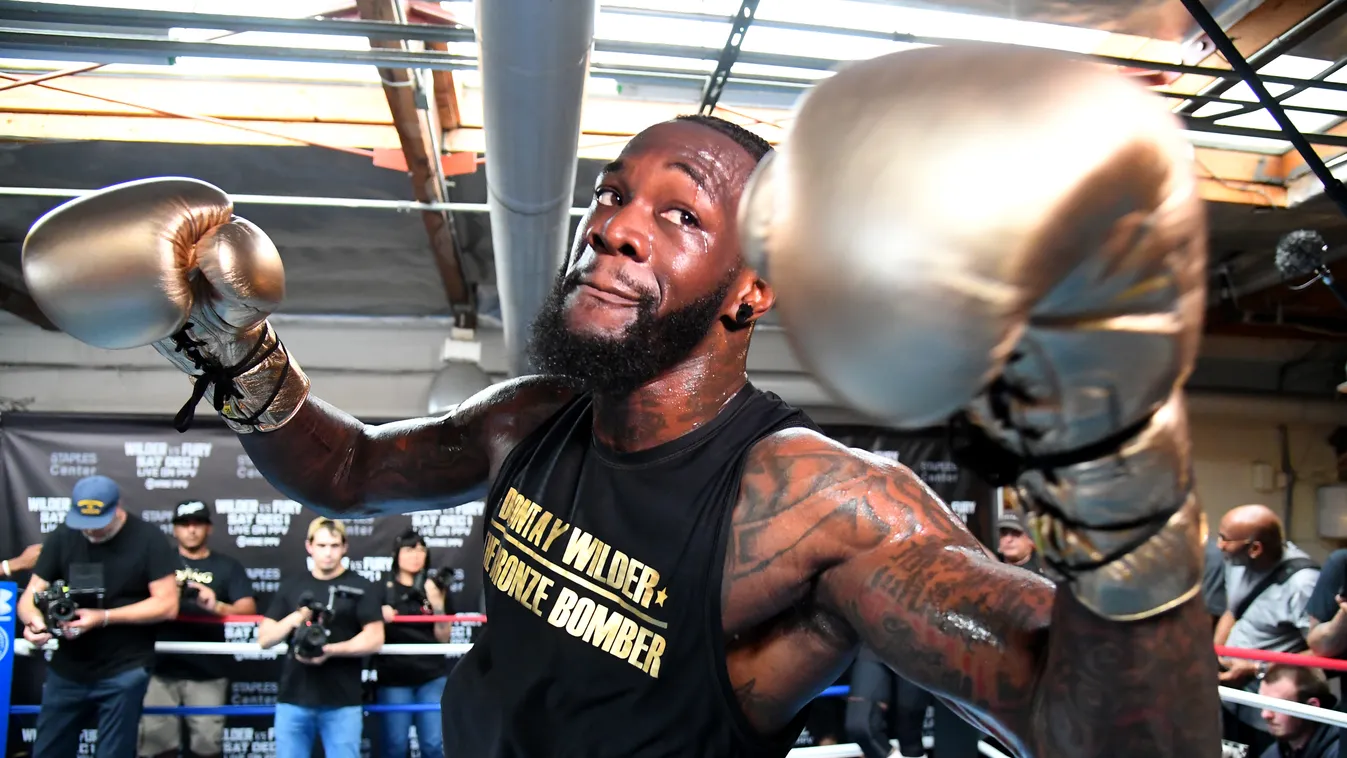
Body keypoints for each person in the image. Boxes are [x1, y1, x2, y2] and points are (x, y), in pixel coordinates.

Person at [23, 46, 1220, 757]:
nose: (613, 228)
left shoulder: (820, 504)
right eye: (613, 195)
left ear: (754, 289)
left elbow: (1103, 737)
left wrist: (1122, 471)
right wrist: (236, 349)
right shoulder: (532, 413)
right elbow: (350, 470)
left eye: (680, 212)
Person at [17, 475, 181, 758]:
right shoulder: (62, 536)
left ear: (117, 509)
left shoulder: (148, 538)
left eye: (98, 524)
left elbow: (167, 604)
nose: (90, 532)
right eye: (84, 524)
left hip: (124, 668)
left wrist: (103, 617)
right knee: (48, 750)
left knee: (114, 753)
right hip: (67, 668)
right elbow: (29, 598)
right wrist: (34, 622)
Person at [139, 500, 257, 758]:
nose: (191, 530)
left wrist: (216, 605)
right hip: (160, 668)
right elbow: (135, 601)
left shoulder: (227, 566)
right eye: (184, 524)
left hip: (208, 671)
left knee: (206, 748)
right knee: (156, 748)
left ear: (209, 528)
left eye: (197, 524)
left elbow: (248, 609)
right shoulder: (160, 563)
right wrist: (169, 596)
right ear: (174, 530)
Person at [257, 518, 384, 758]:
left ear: (345, 547)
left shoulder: (361, 586)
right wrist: (297, 617)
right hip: (294, 698)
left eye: (334, 546)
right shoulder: (292, 585)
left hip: (342, 700)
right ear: (309, 546)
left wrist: (331, 650)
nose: (328, 553)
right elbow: (264, 639)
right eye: (322, 545)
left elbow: (375, 638)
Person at [1215, 504, 1320, 755]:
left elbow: (1324, 654)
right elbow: (1233, 610)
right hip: (1230, 697)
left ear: (1255, 548)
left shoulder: (1302, 584)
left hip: (1267, 705)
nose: (1218, 545)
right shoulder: (1237, 563)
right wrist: (1216, 653)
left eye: (1224, 539)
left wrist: (1256, 667)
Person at [377, 529, 453, 758]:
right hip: (394, 676)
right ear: (397, 554)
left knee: (433, 745)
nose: (416, 555)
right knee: (395, 746)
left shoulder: (435, 587)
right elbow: (367, 630)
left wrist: (438, 604)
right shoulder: (382, 588)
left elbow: (444, 638)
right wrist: (377, 614)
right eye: (410, 549)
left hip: (430, 675)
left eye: (421, 550)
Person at [1256, 664, 1339, 758]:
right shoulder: (1276, 752)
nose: (1265, 714)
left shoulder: (1338, 750)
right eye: (1263, 703)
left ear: (1311, 707)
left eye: (1277, 706)